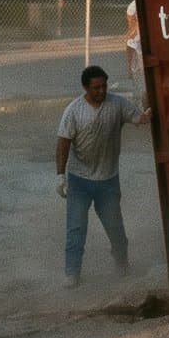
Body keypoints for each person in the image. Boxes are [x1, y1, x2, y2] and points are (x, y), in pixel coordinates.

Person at [55, 63, 146, 286]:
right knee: (76, 229)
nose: (101, 91)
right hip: (79, 180)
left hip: (108, 180)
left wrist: (148, 101)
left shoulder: (117, 104)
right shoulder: (74, 110)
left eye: (104, 86)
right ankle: (72, 273)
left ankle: (122, 265)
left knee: (115, 228)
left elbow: (141, 119)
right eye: (96, 88)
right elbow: (63, 143)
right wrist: (60, 175)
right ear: (85, 88)